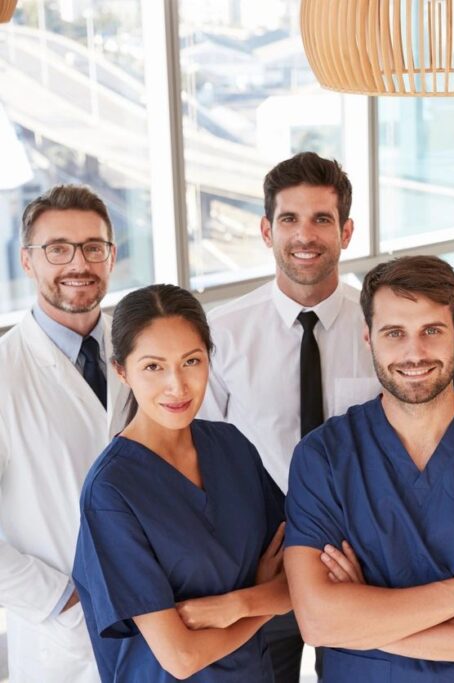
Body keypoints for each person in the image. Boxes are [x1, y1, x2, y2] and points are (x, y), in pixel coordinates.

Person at [284, 255, 454, 682]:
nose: (413, 353)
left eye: (430, 331)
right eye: (394, 333)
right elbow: (319, 622)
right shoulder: (323, 457)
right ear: (368, 338)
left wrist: (365, 620)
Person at [201, 151, 379, 678]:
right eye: (290, 219)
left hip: (361, 562)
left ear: (346, 231)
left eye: (322, 219)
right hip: (259, 566)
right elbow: (200, 457)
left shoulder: (382, 329)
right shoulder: (222, 334)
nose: (306, 235)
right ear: (266, 230)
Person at [72, 284, 290, 681]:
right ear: (122, 371)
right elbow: (181, 657)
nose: (177, 385)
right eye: (153, 367)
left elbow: (298, 582)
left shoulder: (233, 448)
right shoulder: (111, 491)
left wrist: (237, 606)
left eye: (192, 361)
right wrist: (263, 602)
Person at [0, 185, 130, 682]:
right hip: (64, 646)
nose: (79, 263)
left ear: (112, 256)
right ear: (28, 261)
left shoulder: (139, 350)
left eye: (93, 247)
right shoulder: (5, 372)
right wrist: (63, 600)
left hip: (163, 621)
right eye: (58, 248)